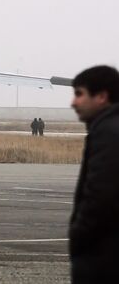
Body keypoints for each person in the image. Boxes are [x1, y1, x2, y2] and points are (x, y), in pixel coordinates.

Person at [69, 65, 119, 283]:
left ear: (101, 97)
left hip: (104, 258)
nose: (73, 102)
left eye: (80, 94)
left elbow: (101, 196)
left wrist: (79, 235)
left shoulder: (109, 133)